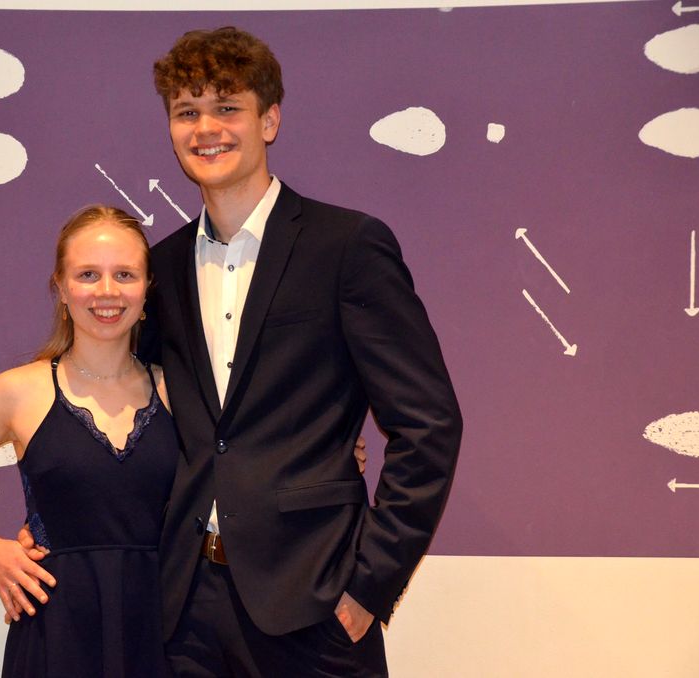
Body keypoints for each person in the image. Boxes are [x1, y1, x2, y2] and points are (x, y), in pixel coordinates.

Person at [136, 27, 463, 676]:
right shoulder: (159, 268)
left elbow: (429, 425)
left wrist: (369, 587)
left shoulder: (346, 247)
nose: (206, 128)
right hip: (187, 611)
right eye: (187, 111)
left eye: (227, 107)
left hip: (315, 607)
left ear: (269, 120)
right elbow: (138, 412)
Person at [0, 205, 179, 678]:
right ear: (61, 287)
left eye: (124, 274)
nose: (107, 291)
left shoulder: (181, 390)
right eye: (87, 274)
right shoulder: (17, 392)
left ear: (146, 287)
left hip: (167, 630)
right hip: (58, 634)